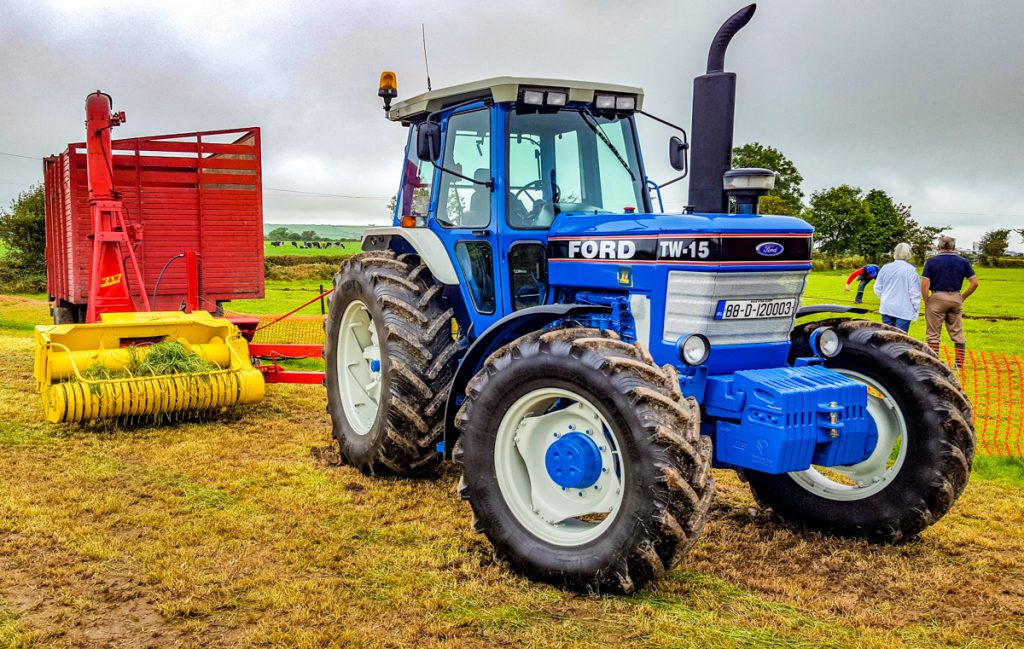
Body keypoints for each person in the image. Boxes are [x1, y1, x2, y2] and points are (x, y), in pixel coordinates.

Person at [921, 236, 980, 368]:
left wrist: (926, 300)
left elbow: (925, 284)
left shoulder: (932, 261)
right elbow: (974, 283)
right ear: (953, 247)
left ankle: (933, 363)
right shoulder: (963, 261)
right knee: (957, 332)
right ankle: (959, 364)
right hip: (955, 297)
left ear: (939, 246)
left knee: (933, 334)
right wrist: (962, 297)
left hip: (937, 297)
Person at [873, 243, 920, 333]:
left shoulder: (885, 268)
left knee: (886, 337)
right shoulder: (910, 270)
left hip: (887, 307)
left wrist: (884, 298)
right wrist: (916, 308)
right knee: (900, 339)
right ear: (908, 253)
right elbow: (914, 292)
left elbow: (877, 287)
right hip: (903, 308)